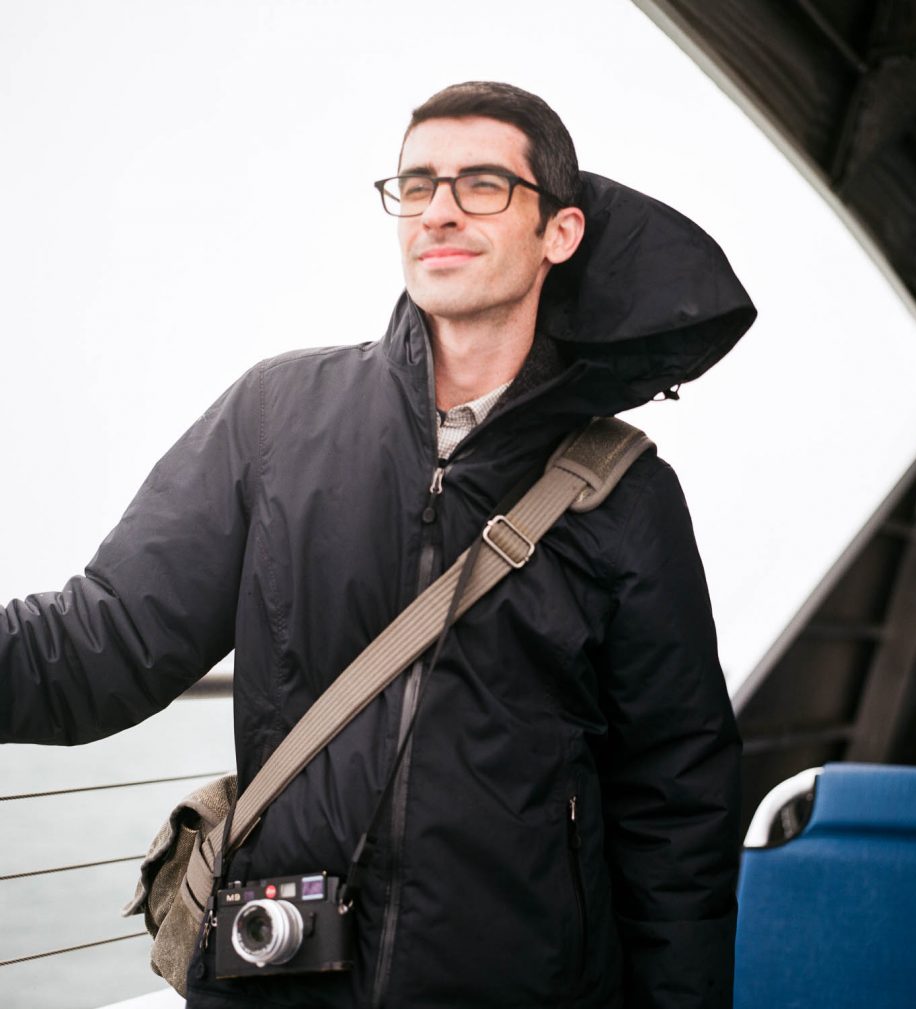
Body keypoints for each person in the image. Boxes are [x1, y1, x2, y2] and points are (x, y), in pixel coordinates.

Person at [0, 82, 756, 1008]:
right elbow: (101, 642)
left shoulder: (625, 491)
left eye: (482, 184)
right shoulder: (275, 416)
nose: (438, 208)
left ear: (558, 231)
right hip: (283, 980)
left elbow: (677, 802)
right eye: (416, 183)